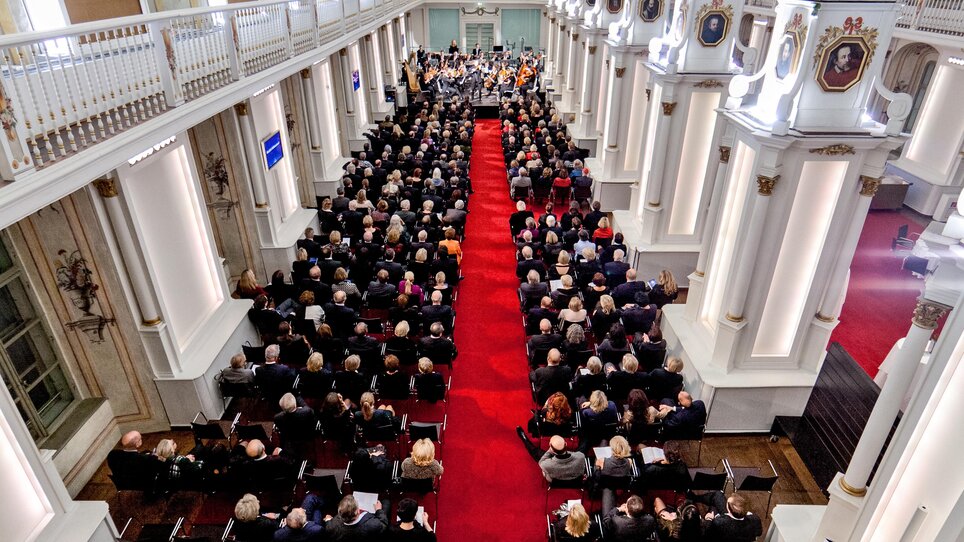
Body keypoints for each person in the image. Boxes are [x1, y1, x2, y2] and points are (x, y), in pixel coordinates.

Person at [698, 492, 763, 542]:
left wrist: (709, 519)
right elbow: (759, 533)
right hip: (734, 527)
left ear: (729, 510)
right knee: (718, 495)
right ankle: (695, 497)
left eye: (727, 502)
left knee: (713, 508)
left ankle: (693, 497)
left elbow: (706, 534)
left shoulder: (719, 522)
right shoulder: (755, 519)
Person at [594, 435, 635, 512]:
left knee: (602, 445)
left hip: (604, 485)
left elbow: (596, 475)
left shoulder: (602, 461)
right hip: (620, 485)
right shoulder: (629, 461)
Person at [325, 494, 389, 540]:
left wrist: (328, 519)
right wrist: (378, 510)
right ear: (358, 512)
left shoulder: (331, 526)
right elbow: (383, 524)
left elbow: (329, 525)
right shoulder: (372, 524)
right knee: (386, 502)